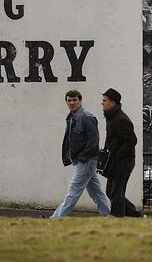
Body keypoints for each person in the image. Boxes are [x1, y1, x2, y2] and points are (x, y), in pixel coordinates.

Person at [51, 90, 110, 218]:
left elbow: (94, 140)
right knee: (96, 192)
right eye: (69, 100)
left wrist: (82, 157)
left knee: (73, 192)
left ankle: (55, 219)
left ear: (80, 100)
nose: (72, 103)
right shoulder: (72, 117)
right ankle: (109, 215)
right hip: (84, 161)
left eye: (74, 100)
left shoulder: (86, 117)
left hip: (86, 161)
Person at [101, 88, 142, 217]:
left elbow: (132, 140)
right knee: (111, 192)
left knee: (116, 193)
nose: (102, 103)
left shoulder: (120, 119)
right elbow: (110, 137)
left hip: (124, 161)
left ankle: (117, 219)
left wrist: (118, 155)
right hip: (114, 160)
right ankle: (136, 215)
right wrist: (105, 151)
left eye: (104, 101)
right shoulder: (111, 117)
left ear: (113, 103)